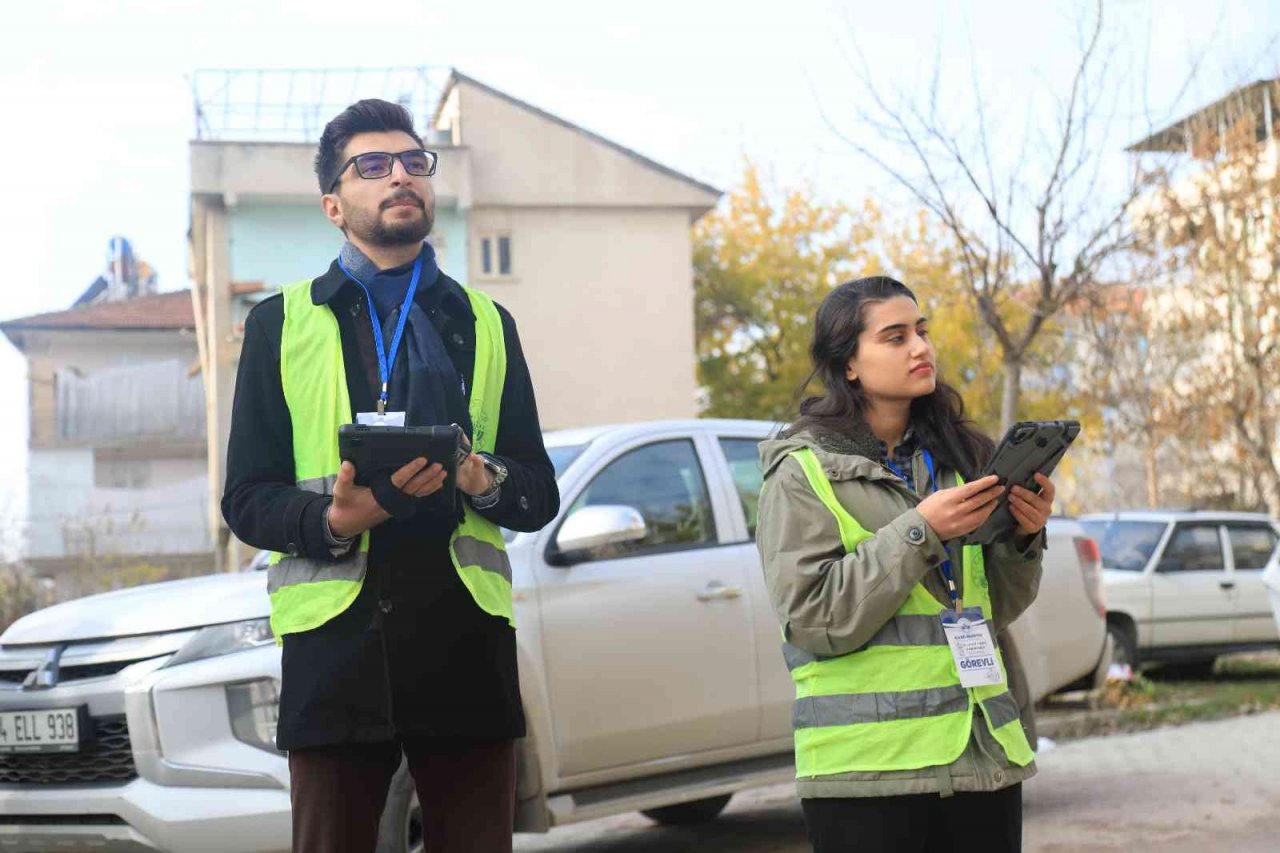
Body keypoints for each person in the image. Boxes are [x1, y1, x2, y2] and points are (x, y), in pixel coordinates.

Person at [221, 99, 559, 853]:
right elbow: (245, 496)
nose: (400, 174)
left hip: (465, 647)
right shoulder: (280, 325)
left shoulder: (487, 322)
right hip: (336, 652)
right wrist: (336, 520)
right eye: (373, 165)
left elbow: (538, 489)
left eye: (413, 161)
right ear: (334, 205)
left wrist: (478, 476)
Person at [755, 276, 1056, 853]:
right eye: (895, 337)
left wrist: (1024, 537)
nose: (921, 347)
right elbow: (815, 620)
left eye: (922, 331)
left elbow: (995, 609)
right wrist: (922, 530)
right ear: (848, 365)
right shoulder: (801, 473)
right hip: (869, 774)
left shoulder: (960, 460)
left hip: (982, 758)